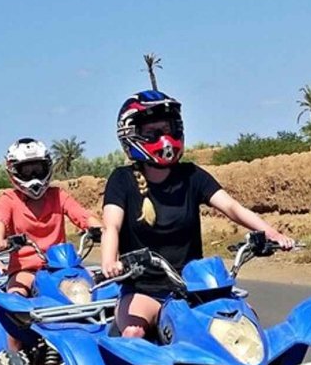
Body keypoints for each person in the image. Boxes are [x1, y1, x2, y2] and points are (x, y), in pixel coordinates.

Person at [99, 90, 293, 340]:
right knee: (133, 332)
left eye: (168, 129)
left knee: (245, 320)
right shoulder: (122, 180)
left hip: (194, 288)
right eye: (153, 132)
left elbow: (233, 208)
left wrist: (272, 233)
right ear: (132, 136)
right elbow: (111, 226)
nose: (164, 139)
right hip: (145, 290)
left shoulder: (191, 176)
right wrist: (109, 261)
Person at [0, 138, 101, 294]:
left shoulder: (58, 195)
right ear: (14, 171)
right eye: (26, 171)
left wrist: (99, 228)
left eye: (38, 169)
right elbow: (0, 220)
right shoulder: (9, 198)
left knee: (99, 286)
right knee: (16, 296)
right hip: (27, 270)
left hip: (62, 266)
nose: (34, 176)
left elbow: (82, 215)